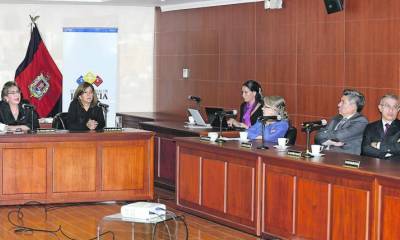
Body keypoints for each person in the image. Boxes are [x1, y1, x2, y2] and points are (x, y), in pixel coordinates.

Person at [315, 89, 368, 155]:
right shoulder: (336, 118)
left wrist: (325, 136)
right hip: (327, 155)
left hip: (346, 159)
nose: (339, 104)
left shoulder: (361, 121)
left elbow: (339, 136)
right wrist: (331, 142)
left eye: (343, 102)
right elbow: (317, 136)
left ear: (353, 106)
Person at [362, 94, 400, 159]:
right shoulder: (370, 127)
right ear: (380, 108)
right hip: (373, 166)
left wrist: (378, 145)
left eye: (395, 107)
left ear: (398, 109)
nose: (391, 110)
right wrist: (386, 154)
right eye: (387, 106)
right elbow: (365, 149)